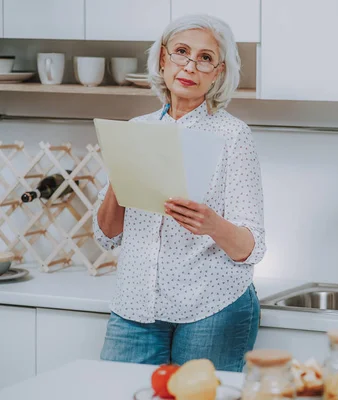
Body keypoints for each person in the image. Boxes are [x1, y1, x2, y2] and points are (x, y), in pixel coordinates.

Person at [92, 14, 265, 372]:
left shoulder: (233, 136)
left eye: (205, 58)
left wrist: (212, 224)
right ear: (162, 60)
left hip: (211, 307)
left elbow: (252, 247)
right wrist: (119, 178)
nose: (190, 65)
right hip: (135, 306)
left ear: (217, 72)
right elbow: (106, 236)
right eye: (181, 52)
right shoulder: (135, 131)